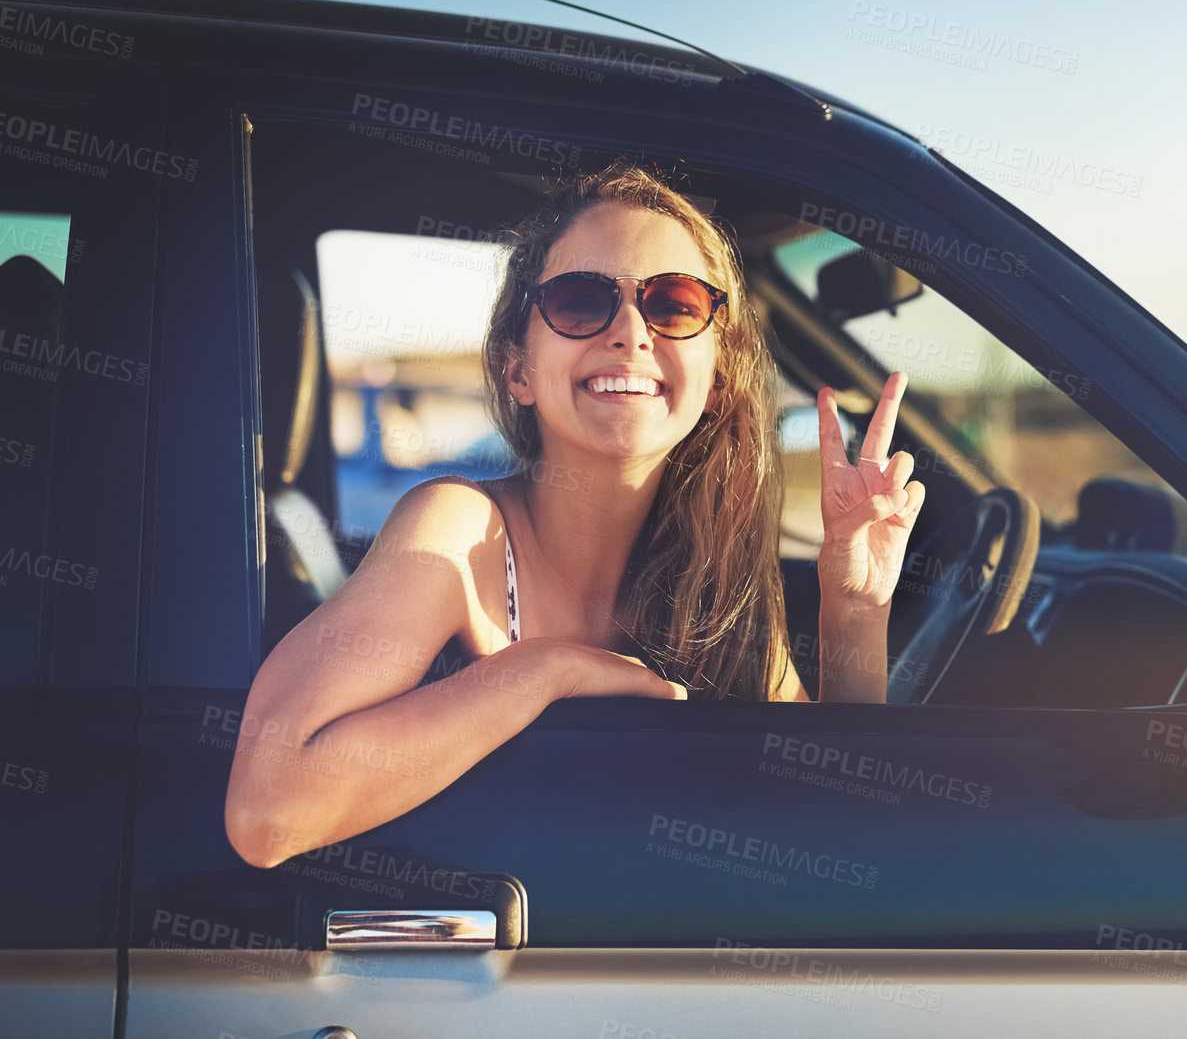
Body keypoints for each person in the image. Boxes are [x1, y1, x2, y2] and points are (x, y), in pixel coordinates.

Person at [224, 161, 926, 869]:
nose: (629, 331)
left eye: (675, 304)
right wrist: (542, 671)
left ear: (717, 378)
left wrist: (855, 608)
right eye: (580, 300)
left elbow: (838, 824)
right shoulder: (456, 530)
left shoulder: (721, 569)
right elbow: (267, 812)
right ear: (517, 369)